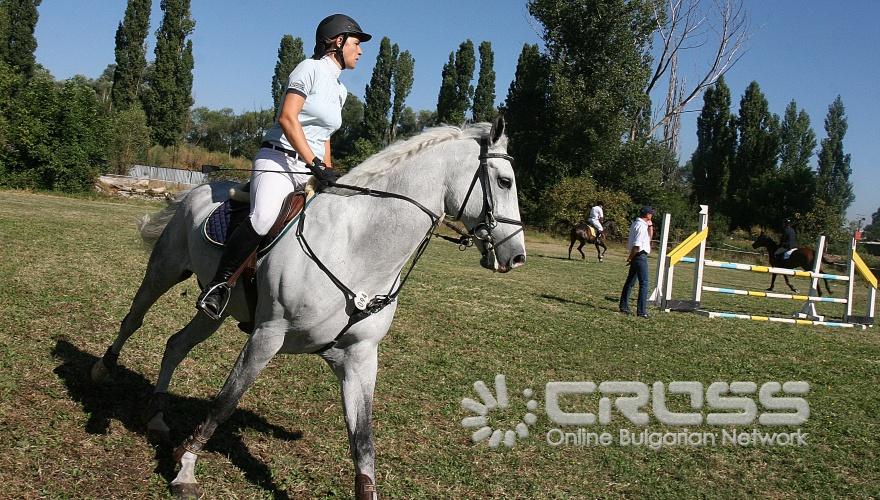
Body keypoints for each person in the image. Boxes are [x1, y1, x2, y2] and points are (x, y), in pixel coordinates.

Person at [196, 14, 372, 319]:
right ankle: (219, 285)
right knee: (263, 217)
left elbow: (324, 135)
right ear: (338, 41)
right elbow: (288, 118)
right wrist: (314, 162)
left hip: (310, 168)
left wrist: (328, 170)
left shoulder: (340, 90)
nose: (360, 51)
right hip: (278, 158)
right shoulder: (309, 69)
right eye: (356, 43)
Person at [619, 206, 654, 318]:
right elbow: (637, 245)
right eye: (651, 214)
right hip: (639, 255)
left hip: (636, 256)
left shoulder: (637, 224)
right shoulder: (641, 226)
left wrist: (650, 226)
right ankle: (641, 311)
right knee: (644, 283)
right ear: (647, 215)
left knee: (630, 282)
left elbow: (648, 238)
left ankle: (623, 306)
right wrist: (630, 257)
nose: (652, 215)